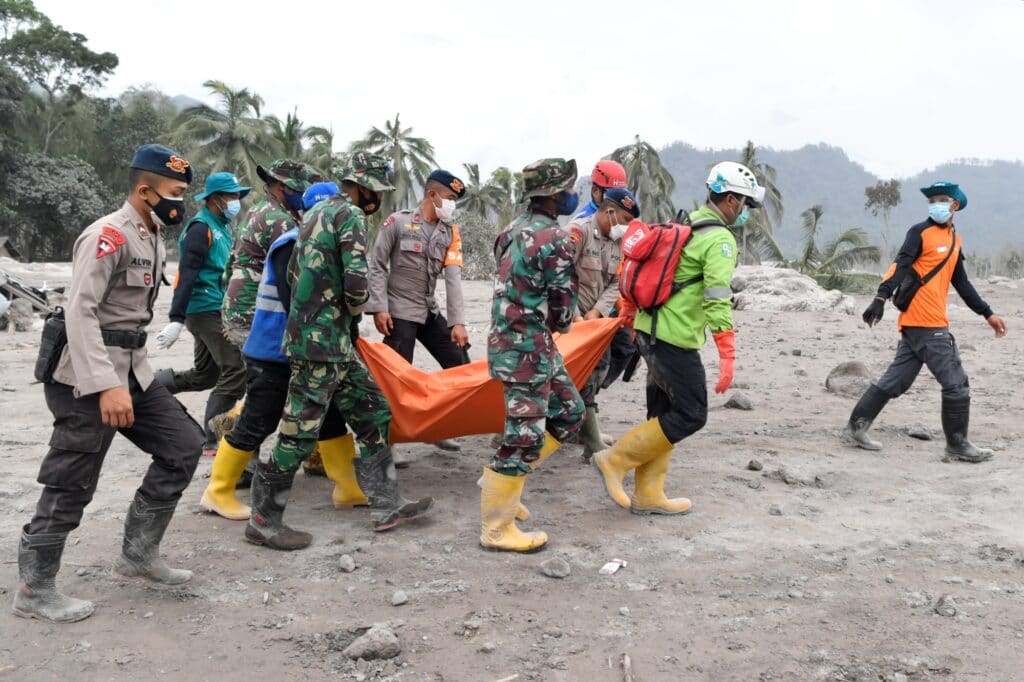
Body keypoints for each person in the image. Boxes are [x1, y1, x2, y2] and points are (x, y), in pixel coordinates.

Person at [13, 144, 204, 623]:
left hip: (132, 368)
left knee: (184, 445)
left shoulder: (152, 232)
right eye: (176, 193)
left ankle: (138, 555)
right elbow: (80, 312)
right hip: (85, 374)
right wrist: (104, 386)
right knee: (72, 478)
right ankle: (34, 589)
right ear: (145, 190)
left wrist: (125, 381)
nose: (182, 202)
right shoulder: (108, 235)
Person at [246, 152, 432, 550]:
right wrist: (355, 310)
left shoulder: (315, 213)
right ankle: (264, 520)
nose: (376, 199)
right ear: (362, 186)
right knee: (298, 433)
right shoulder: (349, 215)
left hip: (330, 343)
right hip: (321, 345)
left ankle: (387, 503)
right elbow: (356, 281)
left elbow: (296, 275)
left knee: (372, 410)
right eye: (376, 191)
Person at [595, 161, 761, 515]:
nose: (744, 211)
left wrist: (629, 316)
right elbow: (718, 298)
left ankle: (649, 493)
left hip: (648, 332)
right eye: (744, 203)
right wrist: (727, 356)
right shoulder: (719, 239)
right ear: (731, 200)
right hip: (673, 338)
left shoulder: (686, 225)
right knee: (691, 414)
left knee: (662, 413)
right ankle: (615, 459)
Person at [199, 182, 367, 520]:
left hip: (301, 349)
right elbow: (299, 306)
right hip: (274, 351)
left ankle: (347, 488)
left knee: (331, 415)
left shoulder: (312, 241)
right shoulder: (292, 244)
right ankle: (217, 492)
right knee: (258, 420)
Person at [844, 181, 1008, 462]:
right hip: (927, 323)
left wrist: (987, 313)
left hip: (918, 325)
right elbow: (900, 265)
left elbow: (962, 283)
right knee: (956, 383)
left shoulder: (956, 241)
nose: (935, 205)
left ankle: (855, 427)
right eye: (932, 200)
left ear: (955, 205)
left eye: (941, 200)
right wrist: (880, 298)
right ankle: (957, 445)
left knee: (896, 380)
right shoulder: (919, 232)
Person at [481, 157, 585, 554]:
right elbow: (562, 306)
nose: (572, 194)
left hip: (523, 344)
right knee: (523, 437)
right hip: (526, 350)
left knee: (571, 413)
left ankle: (506, 481)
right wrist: (560, 321)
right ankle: (496, 527)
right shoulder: (556, 239)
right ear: (556, 193)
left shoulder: (510, 230)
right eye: (569, 188)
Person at [367, 169, 470, 452]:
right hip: (398, 312)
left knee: (460, 365)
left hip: (428, 310)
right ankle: (385, 446)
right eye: (449, 198)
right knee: (395, 381)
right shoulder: (397, 223)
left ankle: (435, 427)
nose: (451, 205)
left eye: (455, 201)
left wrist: (457, 323)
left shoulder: (450, 233)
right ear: (431, 194)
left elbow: (453, 278)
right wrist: (379, 308)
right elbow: (377, 265)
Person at [153, 172, 251, 455]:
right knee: (236, 367)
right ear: (215, 199)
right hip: (203, 307)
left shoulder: (222, 225)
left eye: (236, 196)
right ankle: (213, 435)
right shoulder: (200, 228)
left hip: (214, 304)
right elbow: (187, 274)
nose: (235, 202)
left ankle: (153, 388)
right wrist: (176, 319)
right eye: (231, 197)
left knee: (206, 375)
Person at [565, 187, 640, 461]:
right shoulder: (578, 231)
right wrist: (572, 313)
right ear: (610, 212)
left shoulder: (620, 244)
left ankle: (583, 430)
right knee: (571, 376)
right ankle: (590, 439)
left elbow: (614, 285)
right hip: (563, 318)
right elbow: (560, 274)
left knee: (599, 368)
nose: (627, 226)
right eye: (625, 219)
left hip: (593, 321)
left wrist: (596, 312)